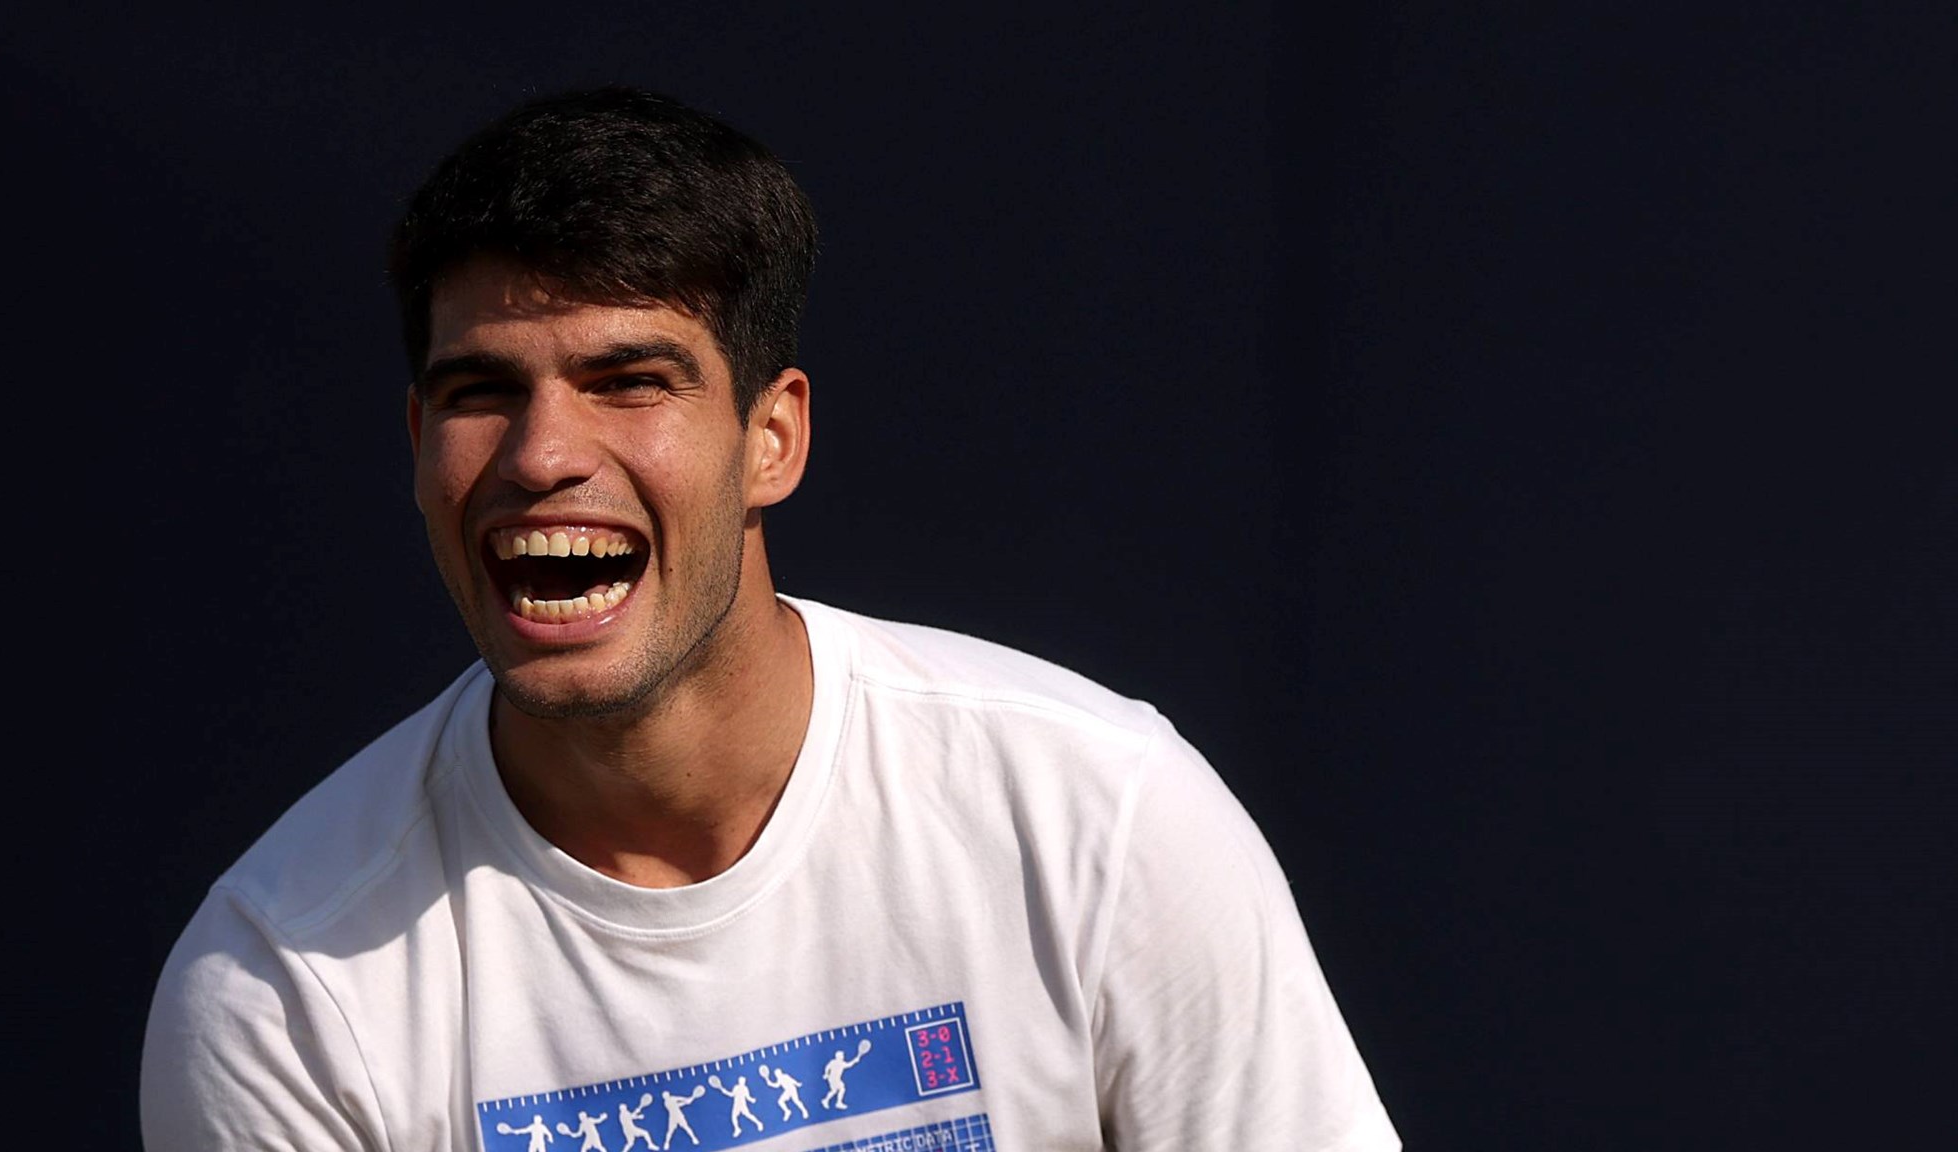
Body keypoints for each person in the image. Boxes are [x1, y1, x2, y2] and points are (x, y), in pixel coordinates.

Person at [139, 87, 1398, 1151]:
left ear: (771, 436)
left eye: (629, 381)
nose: (538, 457)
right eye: (481, 392)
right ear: (417, 444)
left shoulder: (1095, 817)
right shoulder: (281, 986)